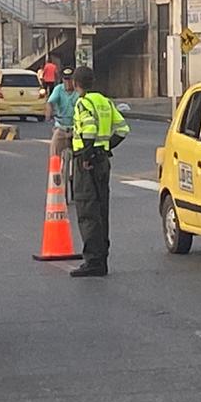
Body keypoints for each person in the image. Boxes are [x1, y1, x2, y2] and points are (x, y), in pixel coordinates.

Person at [69, 66, 129, 278]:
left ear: (76, 84)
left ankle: (93, 261)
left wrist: (86, 157)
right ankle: (101, 259)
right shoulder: (104, 102)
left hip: (88, 163)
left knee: (87, 210)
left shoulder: (83, 103)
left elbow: (89, 131)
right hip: (103, 162)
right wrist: (106, 147)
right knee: (102, 210)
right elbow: (122, 129)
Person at [45, 67, 79, 161]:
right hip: (61, 127)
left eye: (70, 79)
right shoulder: (58, 89)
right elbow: (50, 102)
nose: (68, 82)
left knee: (83, 154)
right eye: (65, 79)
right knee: (54, 154)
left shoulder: (78, 90)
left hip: (76, 128)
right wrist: (49, 113)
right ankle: (54, 175)